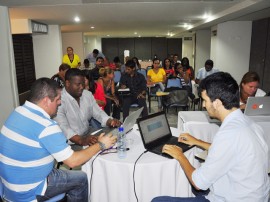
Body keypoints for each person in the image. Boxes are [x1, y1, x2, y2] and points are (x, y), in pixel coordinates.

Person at [152, 72, 269, 202]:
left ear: (217, 103)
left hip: (234, 198)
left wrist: (180, 155)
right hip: (257, 195)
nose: (203, 105)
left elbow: (198, 182)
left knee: (158, 200)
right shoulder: (249, 123)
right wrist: (198, 141)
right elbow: (231, 151)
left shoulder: (229, 134)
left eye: (205, 100)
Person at [0, 78, 117, 202]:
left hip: (9, 185)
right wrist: (101, 144)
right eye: (57, 99)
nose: (60, 103)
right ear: (46, 101)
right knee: (81, 179)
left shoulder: (18, 111)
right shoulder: (46, 125)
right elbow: (73, 162)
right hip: (29, 190)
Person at [54, 68, 121, 147]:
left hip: (88, 133)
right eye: (78, 84)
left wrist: (110, 121)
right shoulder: (59, 100)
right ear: (67, 83)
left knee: (114, 139)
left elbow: (98, 113)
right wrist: (81, 140)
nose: (82, 87)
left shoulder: (87, 95)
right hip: (70, 142)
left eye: (83, 84)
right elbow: (63, 127)